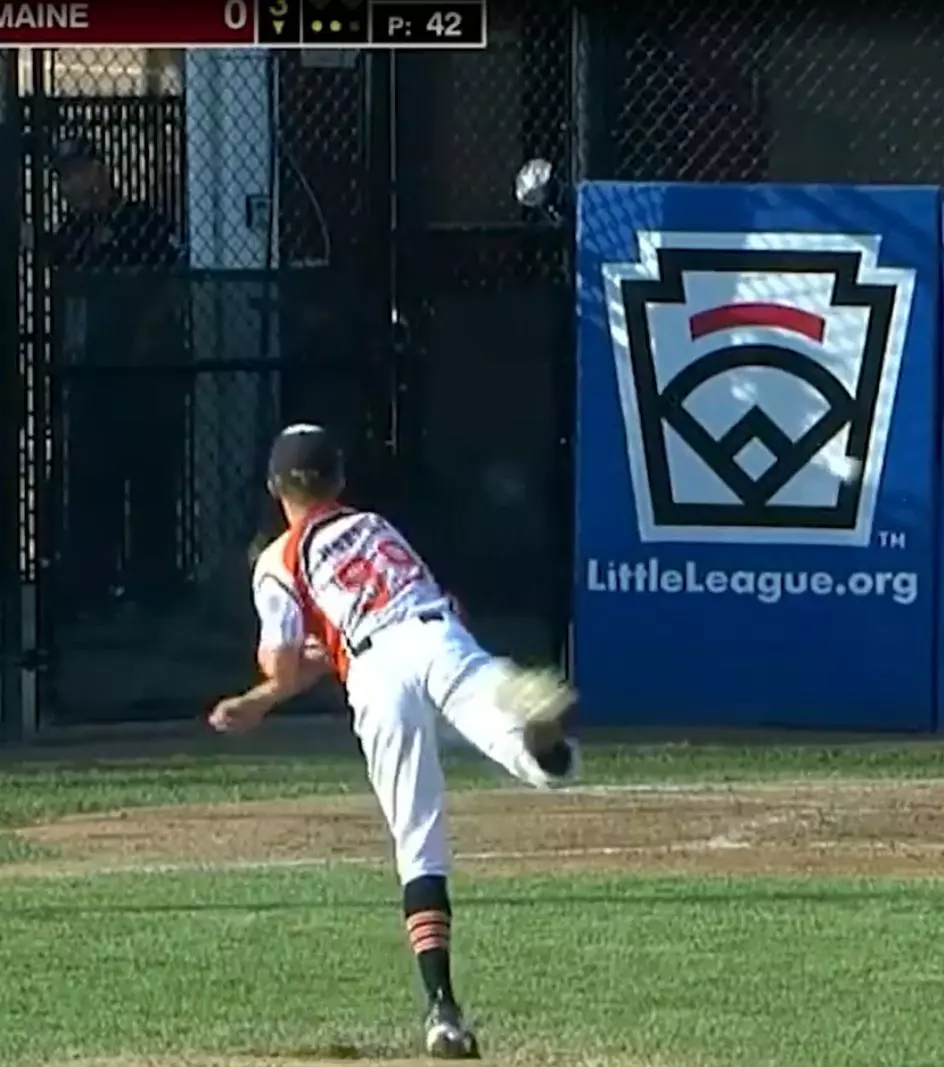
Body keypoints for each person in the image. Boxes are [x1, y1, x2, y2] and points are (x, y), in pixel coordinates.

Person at [208, 423, 579, 1060]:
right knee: (533, 756)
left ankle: (443, 1012)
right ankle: (536, 736)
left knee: (419, 837)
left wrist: (258, 699)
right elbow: (436, 603)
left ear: (275, 488)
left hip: (378, 673)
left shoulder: (279, 558)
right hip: (434, 634)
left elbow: (286, 665)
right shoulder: (375, 526)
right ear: (340, 480)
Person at [47, 136, 187, 617]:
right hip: (91, 378)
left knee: (150, 481)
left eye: (83, 171)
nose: (76, 184)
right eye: (67, 177)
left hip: (144, 379)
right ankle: (92, 583)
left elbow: (173, 282)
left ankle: (153, 582)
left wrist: (147, 333)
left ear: (103, 170)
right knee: (91, 482)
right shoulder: (68, 236)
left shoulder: (142, 223)